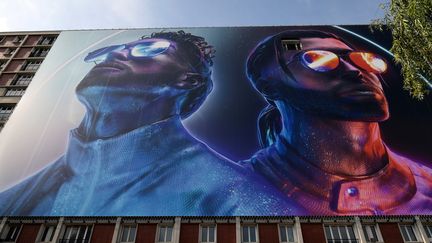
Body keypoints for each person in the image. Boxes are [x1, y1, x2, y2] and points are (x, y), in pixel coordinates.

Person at [0, 31, 304, 216]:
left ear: (188, 81)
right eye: (112, 49)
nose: (117, 52)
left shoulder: (233, 197)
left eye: (148, 50)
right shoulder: (18, 198)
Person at [240, 29, 432, 215]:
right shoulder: (241, 189)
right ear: (269, 86)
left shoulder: (427, 185)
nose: (354, 71)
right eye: (318, 59)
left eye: (362, 60)